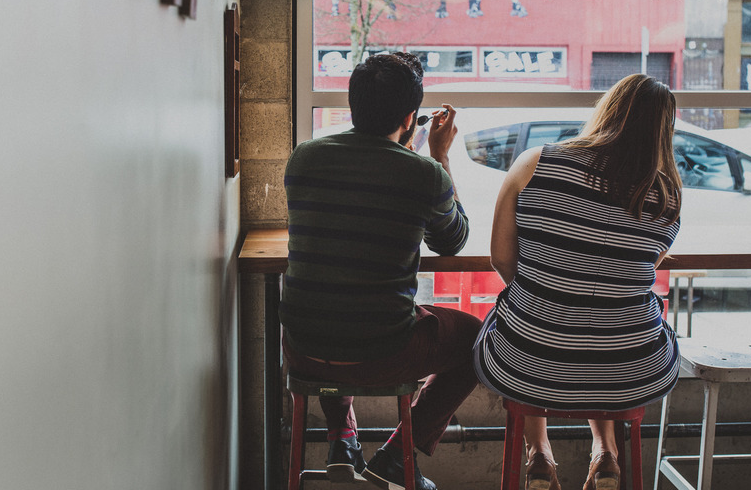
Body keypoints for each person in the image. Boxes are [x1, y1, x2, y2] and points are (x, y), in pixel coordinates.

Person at [279, 52, 481, 490]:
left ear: (353, 106)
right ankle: (396, 457)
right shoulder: (424, 174)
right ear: (411, 117)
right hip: (383, 353)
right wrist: (440, 156)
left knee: (335, 301)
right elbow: (452, 241)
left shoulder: (304, 159)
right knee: (476, 340)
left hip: (301, 347)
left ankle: (343, 441)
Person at [473, 74, 683, 490]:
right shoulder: (667, 196)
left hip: (526, 365)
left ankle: (538, 455)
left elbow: (501, 258)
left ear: (607, 109)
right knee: (607, 327)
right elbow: (628, 277)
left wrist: (543, 287)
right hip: (631, 374)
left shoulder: (535, 163)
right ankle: (606, 454)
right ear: (664, 130)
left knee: (525, 318)